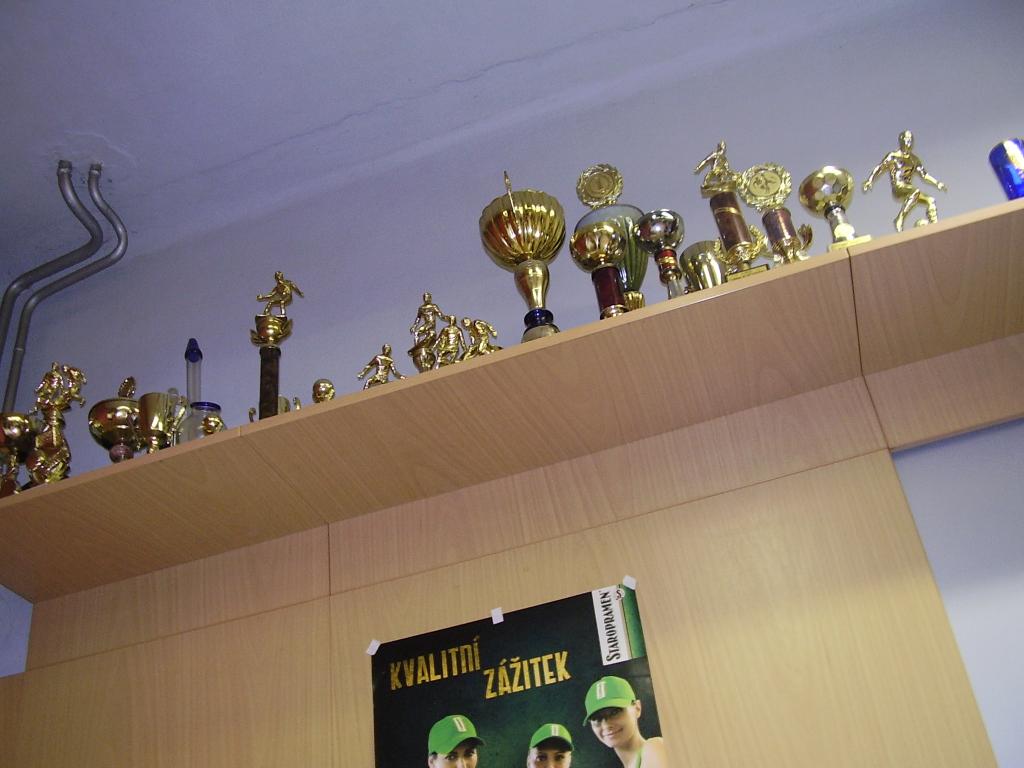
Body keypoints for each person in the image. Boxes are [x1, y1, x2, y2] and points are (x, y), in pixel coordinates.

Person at [862, 129, 947, 231]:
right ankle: (900, 219)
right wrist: (870, 180)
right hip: (898, 188)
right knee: (915, 192)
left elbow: (924, 175)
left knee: (930, 200)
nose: (909, 141)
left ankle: (935, 227)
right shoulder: (893, 156)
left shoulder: (914, 159)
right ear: (901, 140)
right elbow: (880, 168)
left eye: (911, 139)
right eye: (907, 139)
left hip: (909, 189)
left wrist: (937, 183)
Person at [583, 676, 667, 768]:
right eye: (597, 719)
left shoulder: (654, 749)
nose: (606, 725)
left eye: (615, 712)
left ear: (637, 708)